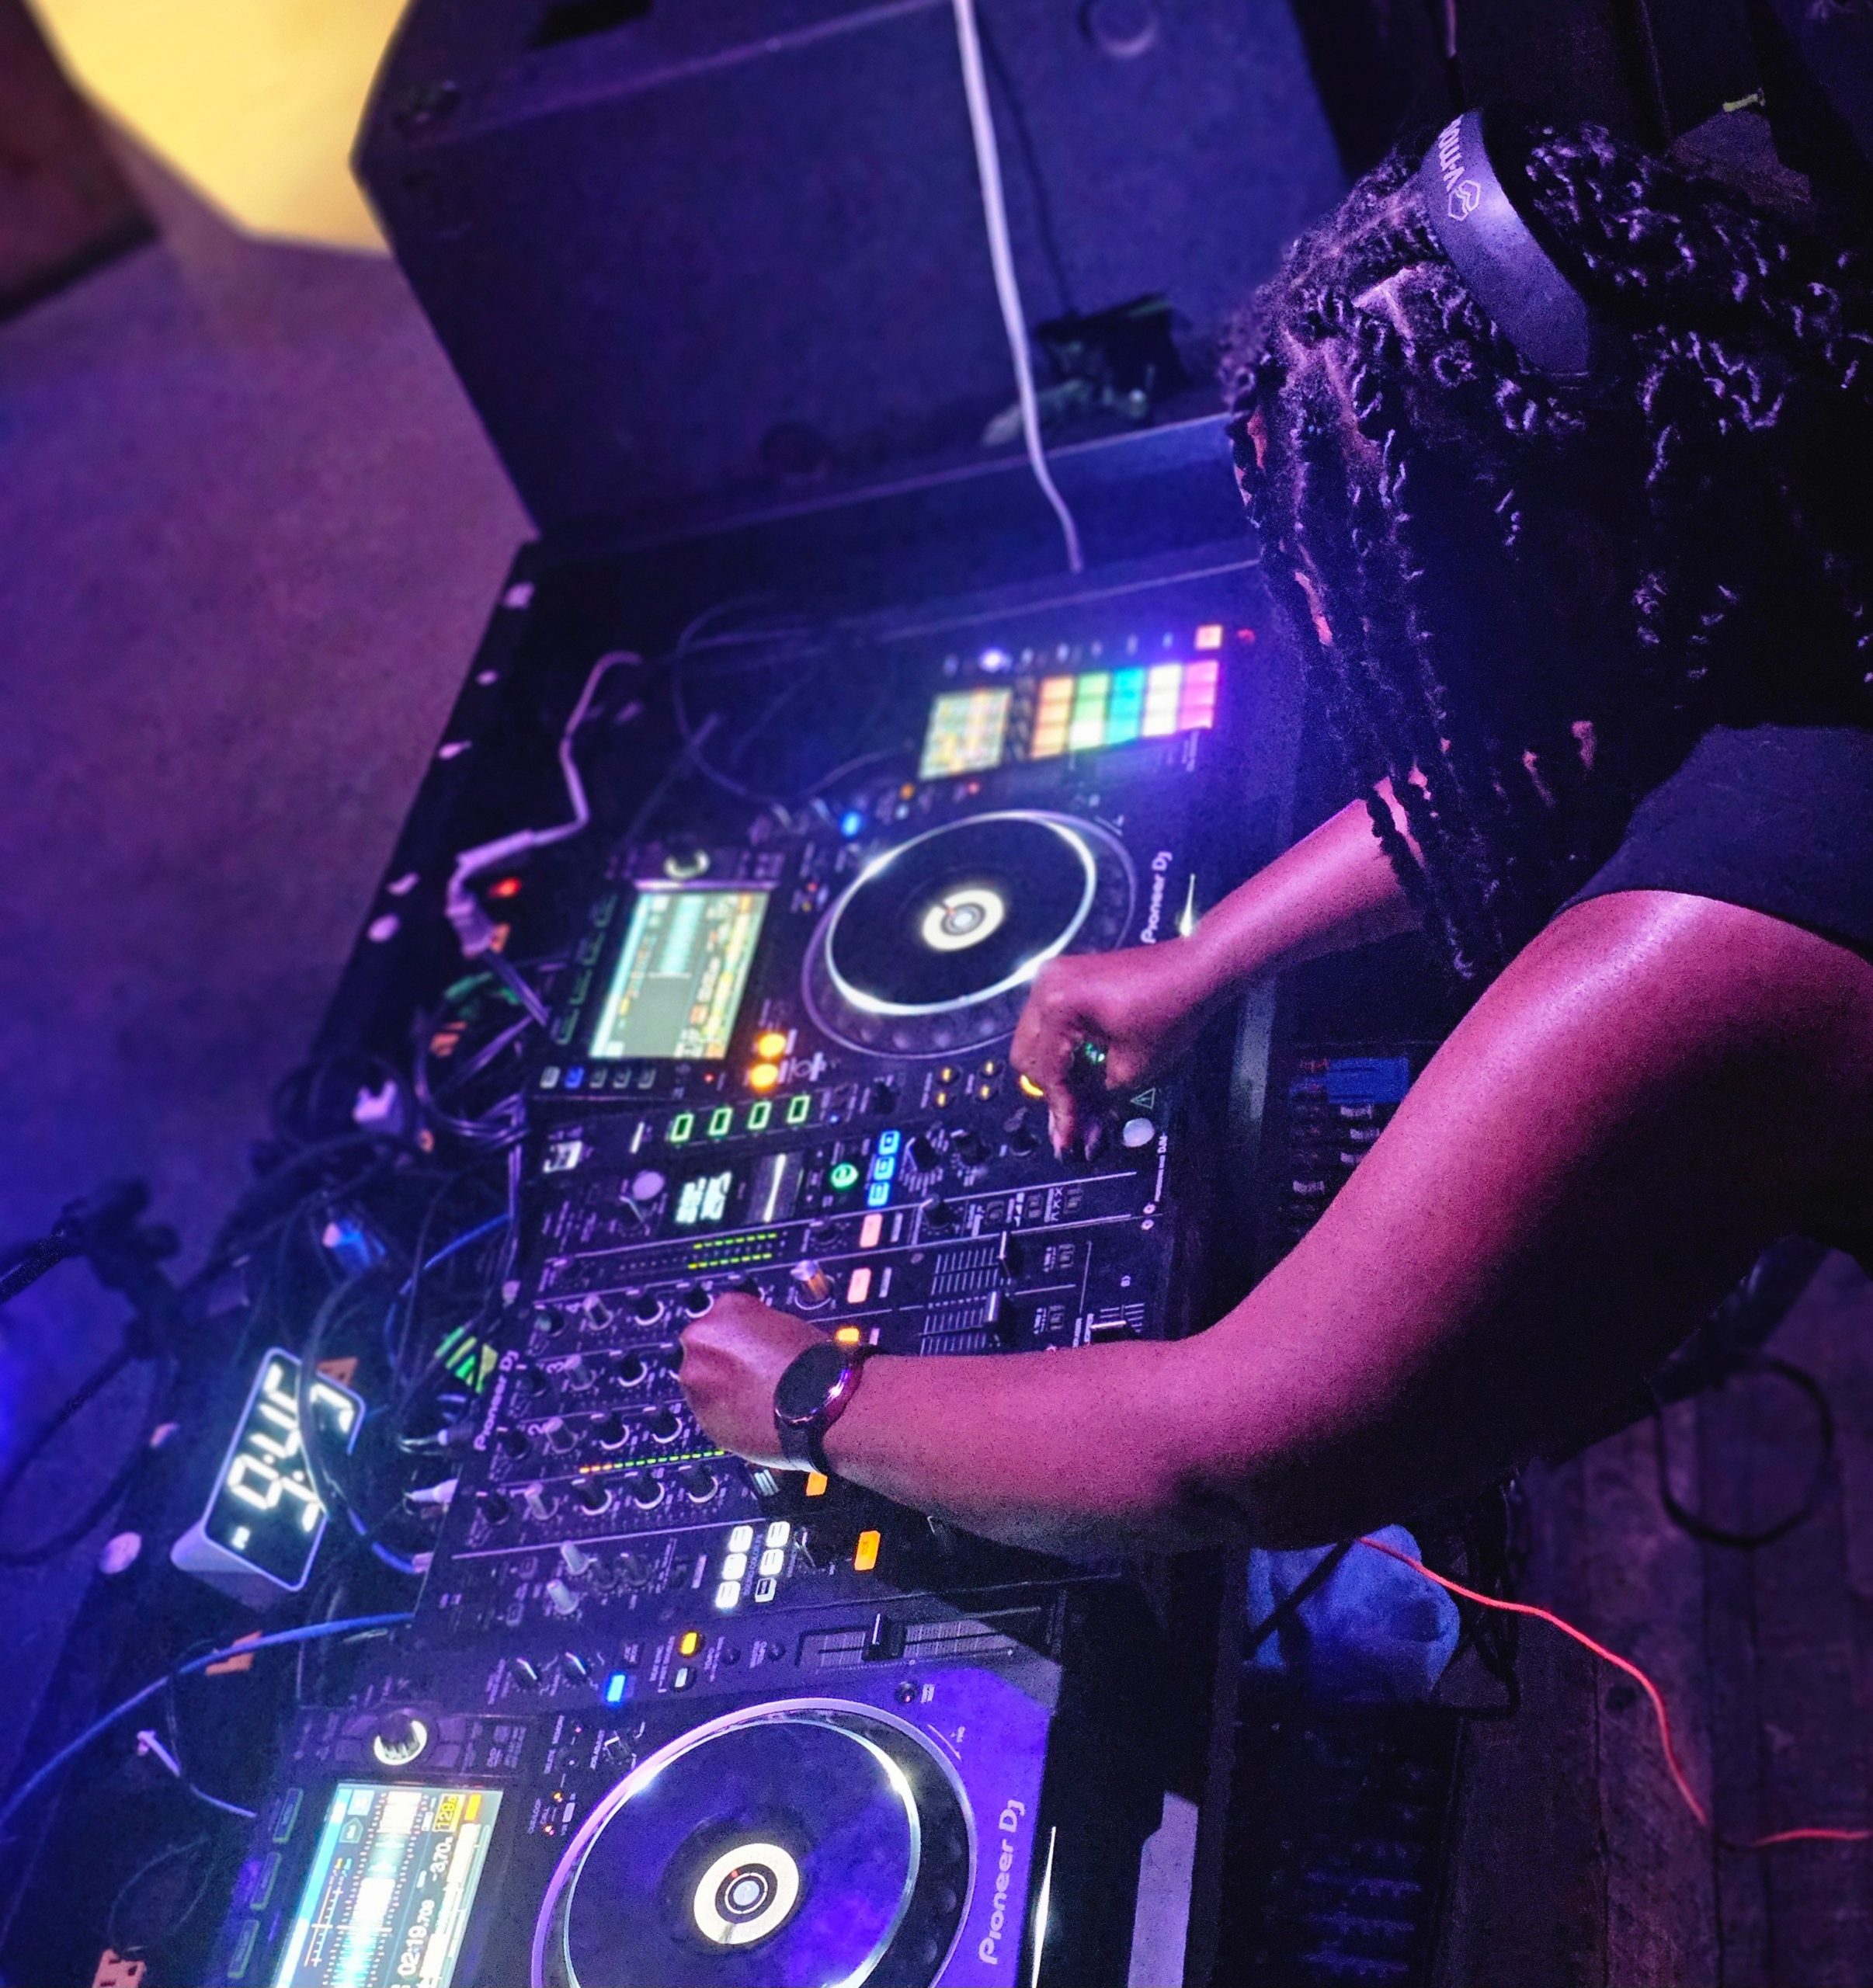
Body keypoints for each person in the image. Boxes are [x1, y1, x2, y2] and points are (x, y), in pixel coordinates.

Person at [678, 116, 1873, 1558]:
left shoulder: (1721, 941)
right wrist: (1205, 959)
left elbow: (1232, 1450)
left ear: (1537, 560)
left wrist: (812, 1397)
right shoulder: (1780, 491)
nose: (1327, 622)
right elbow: (1565, 753)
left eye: (1372, 571)